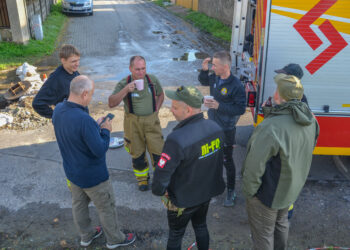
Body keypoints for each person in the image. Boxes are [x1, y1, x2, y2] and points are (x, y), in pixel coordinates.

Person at [52, 75, 136, 249]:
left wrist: (94, 128)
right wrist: (105, 131)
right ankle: (115, 239)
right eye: (91, 94)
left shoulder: (58, 110)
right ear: (84, 94)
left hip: (72, 173)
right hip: (94, 177)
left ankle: (86, 236)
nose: (91, 98)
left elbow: (76, 135)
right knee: (106, 207)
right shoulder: (84, 120)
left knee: (79, 206)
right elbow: (99, 150)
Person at [241, 73, 319, 250]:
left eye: (276, 90)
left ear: (280, 96)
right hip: (291, 189)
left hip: (268, 195)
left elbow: (254, 166)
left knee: (263, 235)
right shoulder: (311, 119)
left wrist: (250, 193)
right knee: (281, 223)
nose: (274, 92)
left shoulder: (271, 127)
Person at [152, 86, 225, 250]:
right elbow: (218, 162)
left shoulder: (176, 139)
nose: (171, 110)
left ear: (189, 110)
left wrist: (159, 190)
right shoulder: (215, 128)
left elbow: (162, 173)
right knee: (201, 226)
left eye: (175, 107)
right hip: (205, 193)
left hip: (182, 199)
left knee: (176, 234)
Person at [108, 56, 164, 191]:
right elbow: (111, 103)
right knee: (137, 155)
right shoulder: (124, 83)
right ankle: (142, 180)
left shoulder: (152, 80)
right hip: (133, 123)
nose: (141, 72)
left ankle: (160, 180)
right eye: (137, 69)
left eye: (143, 68)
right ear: (130, 69)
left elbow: (161, 95)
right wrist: (126, 90)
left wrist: (156, 109)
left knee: (158, 153)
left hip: (152, 122)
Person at [198, 51, 246, 207]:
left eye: (215, 65)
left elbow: (240, 109)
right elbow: (204, 81)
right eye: (212, 65)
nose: (213, 67)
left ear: (225, 67)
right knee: (211, 157)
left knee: (227, 160)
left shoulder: (236, 85)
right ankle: (213, 186)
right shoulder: (215, 77)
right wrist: (204, 70)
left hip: (226, 129)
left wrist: (219, 106)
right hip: (212, 126)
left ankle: (231, 191)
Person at [33, 44, 81, 118]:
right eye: (73, 61)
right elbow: (37, 103)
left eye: (78, 60)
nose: (77, 64)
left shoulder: (75, 72)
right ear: (63, 60)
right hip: (69, 123)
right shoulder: (55, 79)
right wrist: (57, 117)